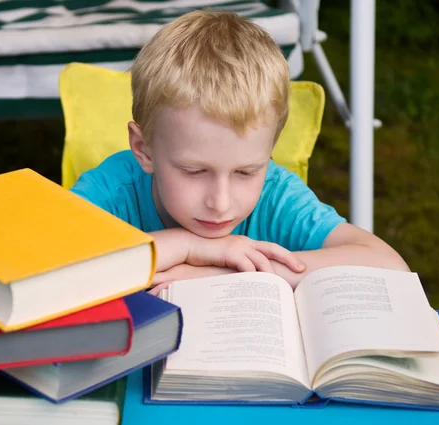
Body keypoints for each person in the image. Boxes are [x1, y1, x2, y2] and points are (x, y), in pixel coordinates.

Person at [71, 10, 409, 294]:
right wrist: (189, 246)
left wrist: (227, 275)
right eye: (194, 171)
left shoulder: (275, 196)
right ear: (143, 149)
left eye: (247, 172)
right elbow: (38, 274)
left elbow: (390, 265)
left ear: (270, 154)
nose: (220, 203)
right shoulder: (112, 192)